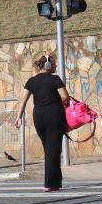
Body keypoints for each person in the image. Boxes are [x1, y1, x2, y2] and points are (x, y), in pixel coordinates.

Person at [14, 54, 70, 192]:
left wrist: (18, 117)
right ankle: (48, 184)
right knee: (53, 150)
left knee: (50, 149)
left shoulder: (31, 81)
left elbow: (23, 99)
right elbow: (64, 97)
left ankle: (56, 182)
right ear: (49, 66)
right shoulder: (55, 79)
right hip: (54, 115)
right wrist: (63, 100)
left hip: (38, 117)